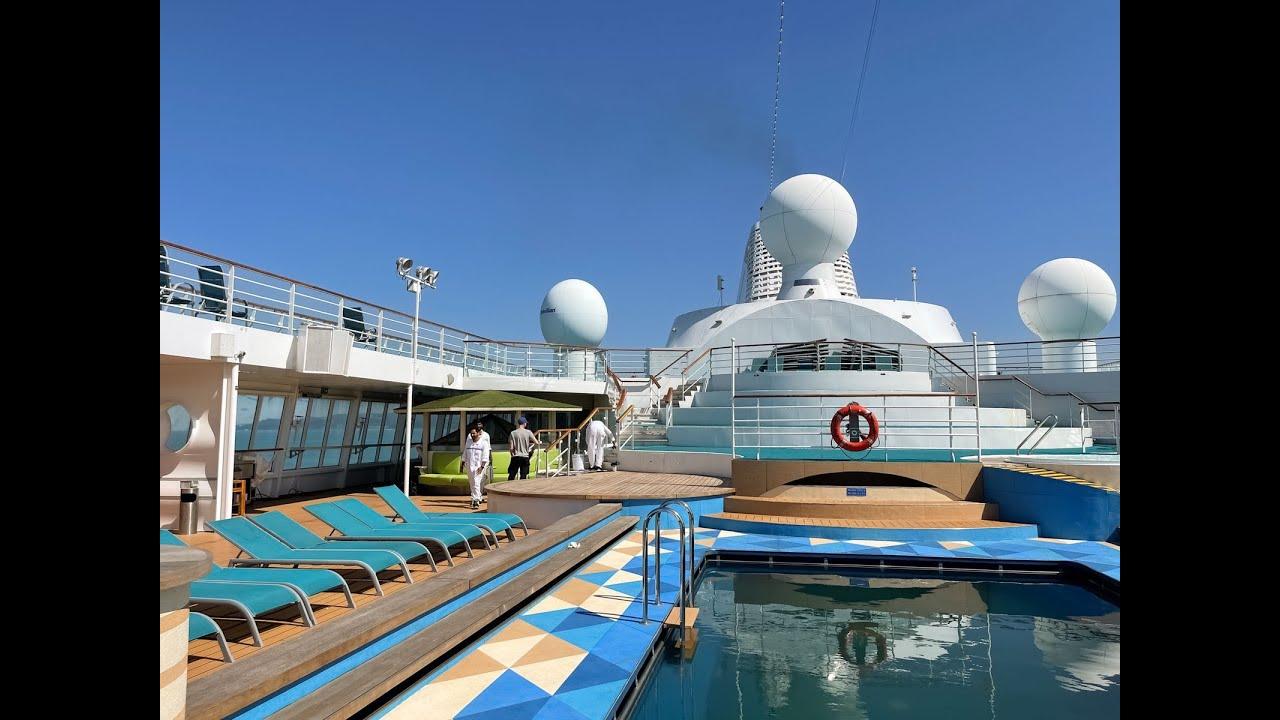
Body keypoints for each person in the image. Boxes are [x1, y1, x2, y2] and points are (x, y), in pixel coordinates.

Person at [461, 424, 490, 509]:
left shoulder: (484, 443)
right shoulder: (468, 442)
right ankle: (475, 498)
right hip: (469, 466)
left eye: (474, 433)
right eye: (471, 434)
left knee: (476, 482)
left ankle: (476, 500)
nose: (472, 435)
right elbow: (465, 453)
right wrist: (462, 463)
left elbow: (485, 456)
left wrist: (482, 466)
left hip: (478, 466)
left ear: (478, 433)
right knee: (472, 483)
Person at [507, 416, 540, 480]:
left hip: (516, 456)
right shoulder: (528, 432)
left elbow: (511, 448)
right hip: (525, 456)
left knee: (511, 475)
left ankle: (508, 486)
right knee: (523, 476)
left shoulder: (513, 433)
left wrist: (512, 455)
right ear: (524, 423)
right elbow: (536, 442)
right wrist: (536, 444)